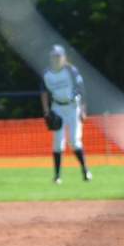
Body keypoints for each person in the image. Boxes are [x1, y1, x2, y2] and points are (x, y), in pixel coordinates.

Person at [39, 45, 90, 184]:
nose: (56, 59)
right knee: (58, 142)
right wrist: (46, 111)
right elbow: (43, 92)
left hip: (73, 107)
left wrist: (83, 110)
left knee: (74, 141)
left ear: (64, 57)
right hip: (57, 108)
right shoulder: (47, 73)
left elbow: (82, 89)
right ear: (50, 58)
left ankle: (85, 170)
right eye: (54, 56)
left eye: (58, 56)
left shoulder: (71, 71)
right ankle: (57, 176)